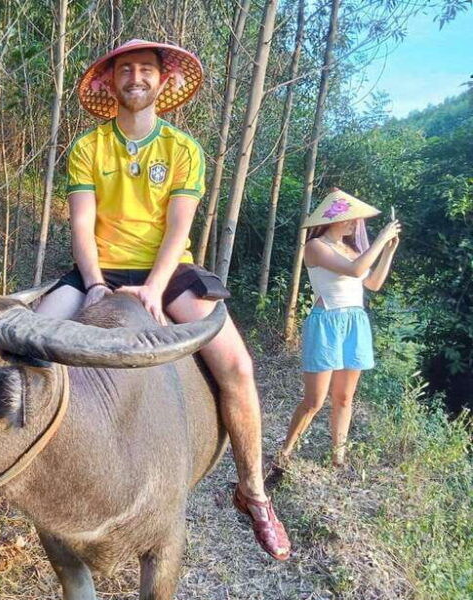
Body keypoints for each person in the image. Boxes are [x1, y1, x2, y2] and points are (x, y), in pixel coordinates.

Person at [35, 39, 291, 561]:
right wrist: (97, 284)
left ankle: (253, 491)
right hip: (98, 269)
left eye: (145, 69)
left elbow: (179, 228)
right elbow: (82, 224)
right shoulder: (87, 148)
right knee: (26, 342)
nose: (135, 77)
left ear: (162, 81)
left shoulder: (183, 149)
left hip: (170, 271)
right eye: (124, 69)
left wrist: (154, 286)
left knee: (237, 366)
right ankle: (10, 464)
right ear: (110, 82)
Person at [277, 189, 401, 467]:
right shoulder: (316, 246)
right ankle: (284, 453)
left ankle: (338, 458)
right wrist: (381, 239)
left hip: (355, 321)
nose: (353, 224)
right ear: (331, 219)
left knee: (344, 397)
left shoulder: (351, 249)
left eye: (356, 220)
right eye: (349, 218)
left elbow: (373, 283)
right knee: (314, 400)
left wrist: (388, 252)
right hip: (327, 321)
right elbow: (357, 271)